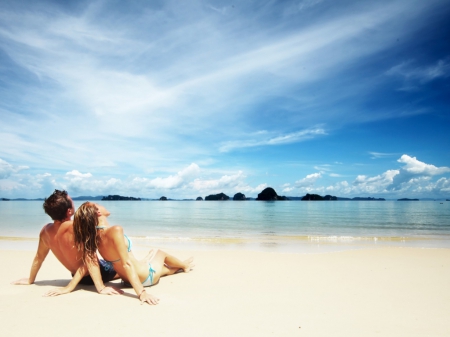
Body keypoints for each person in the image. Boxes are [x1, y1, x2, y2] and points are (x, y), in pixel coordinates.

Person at [72, 201, 194, 305]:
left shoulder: (94, 236)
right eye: (98, 204)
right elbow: (127, 264)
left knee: (157, 262)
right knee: (158, 251)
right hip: (143, 278)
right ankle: (184, 265)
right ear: (98, 212)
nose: (103, 205)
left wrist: (99, 288)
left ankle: (179, 267)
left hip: (127, 280)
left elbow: (90, 262)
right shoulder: (115, 230)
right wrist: (142, 293)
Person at [11, 190, 123, 296]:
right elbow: (90, 257)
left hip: (77, 275)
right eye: (72, 201)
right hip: (99, 272)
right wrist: (101, 288)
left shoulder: (45, 231)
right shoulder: (75, 227)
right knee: (130, 265)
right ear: (69, 211)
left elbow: (39, 257)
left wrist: (30, 279)